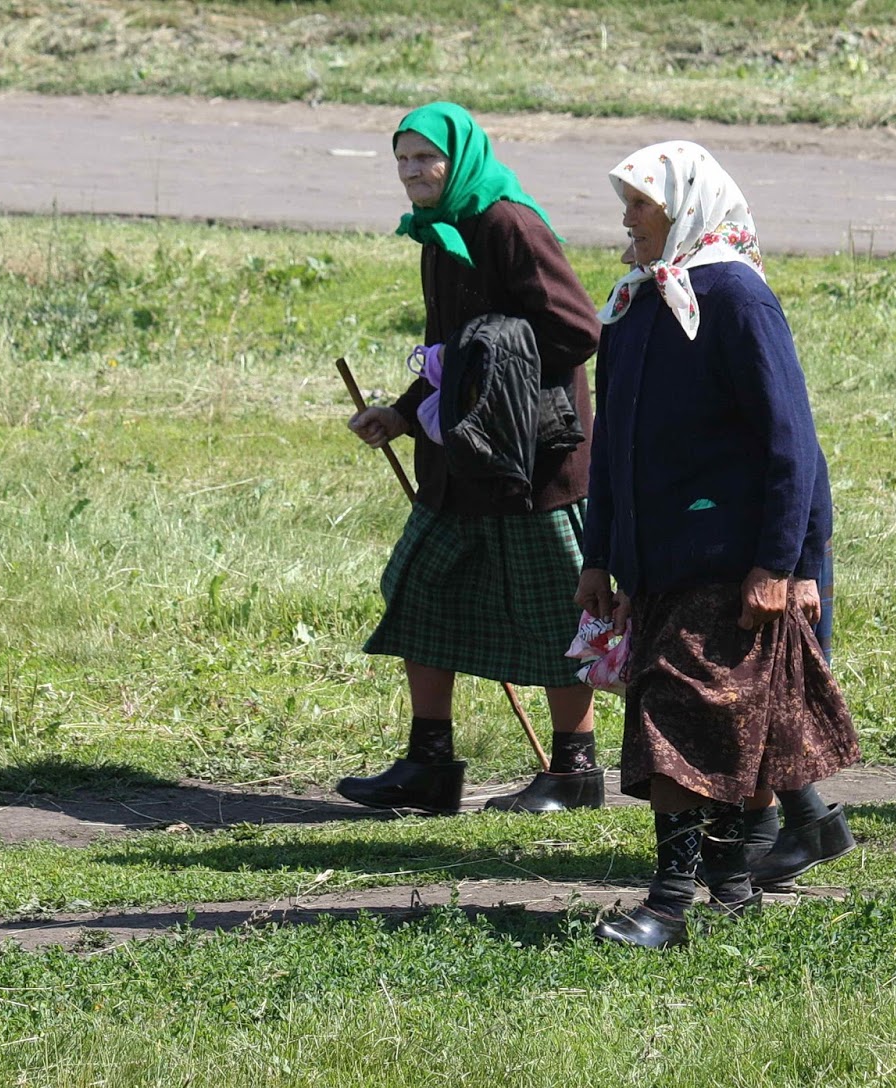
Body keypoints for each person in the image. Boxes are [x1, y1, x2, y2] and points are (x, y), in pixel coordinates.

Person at [579, 141, 859, 948]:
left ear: (686, 203)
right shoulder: (633, 306)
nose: (626, 219)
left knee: (674, 713)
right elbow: (613, 449)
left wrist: (782, 563)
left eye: (640, 203)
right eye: (626, 203)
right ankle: (732, 896)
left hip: (731, 557)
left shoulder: (736, 298)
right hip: (659, 560)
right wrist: (601, 556)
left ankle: (669, 905)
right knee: (721, 728)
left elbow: (790, 444)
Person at [338, 102, 605, 815]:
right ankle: (429, 768)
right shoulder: (441, 230)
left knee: (556, 613)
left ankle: (575, 771)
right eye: (402, 159)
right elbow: (447, 342)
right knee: (420, 592)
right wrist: (401, 411)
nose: (413, 172)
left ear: (460, 159)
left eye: (427, 158)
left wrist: (486, 362)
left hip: (529, 464)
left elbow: (577, 329)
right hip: (457, 460)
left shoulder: (508, 223)